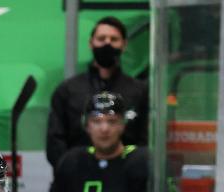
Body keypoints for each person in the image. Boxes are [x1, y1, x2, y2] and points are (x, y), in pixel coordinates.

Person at [45, 92, 148, 192]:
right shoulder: (71, 162)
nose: (104, 128)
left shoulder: (141, 161)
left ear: (123, 125)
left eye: (112, 121)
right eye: (97, 121)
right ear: (86, 126)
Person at [46, 16, 148, 169]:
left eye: (114, 39)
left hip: (126, 178)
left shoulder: (139, 91)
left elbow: (145, 140)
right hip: (77, 178)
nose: (107, 43)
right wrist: (70, 172)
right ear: (91, 43)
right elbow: (55, 141)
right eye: (101, 38)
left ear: (124, 44)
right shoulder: (67, 90)